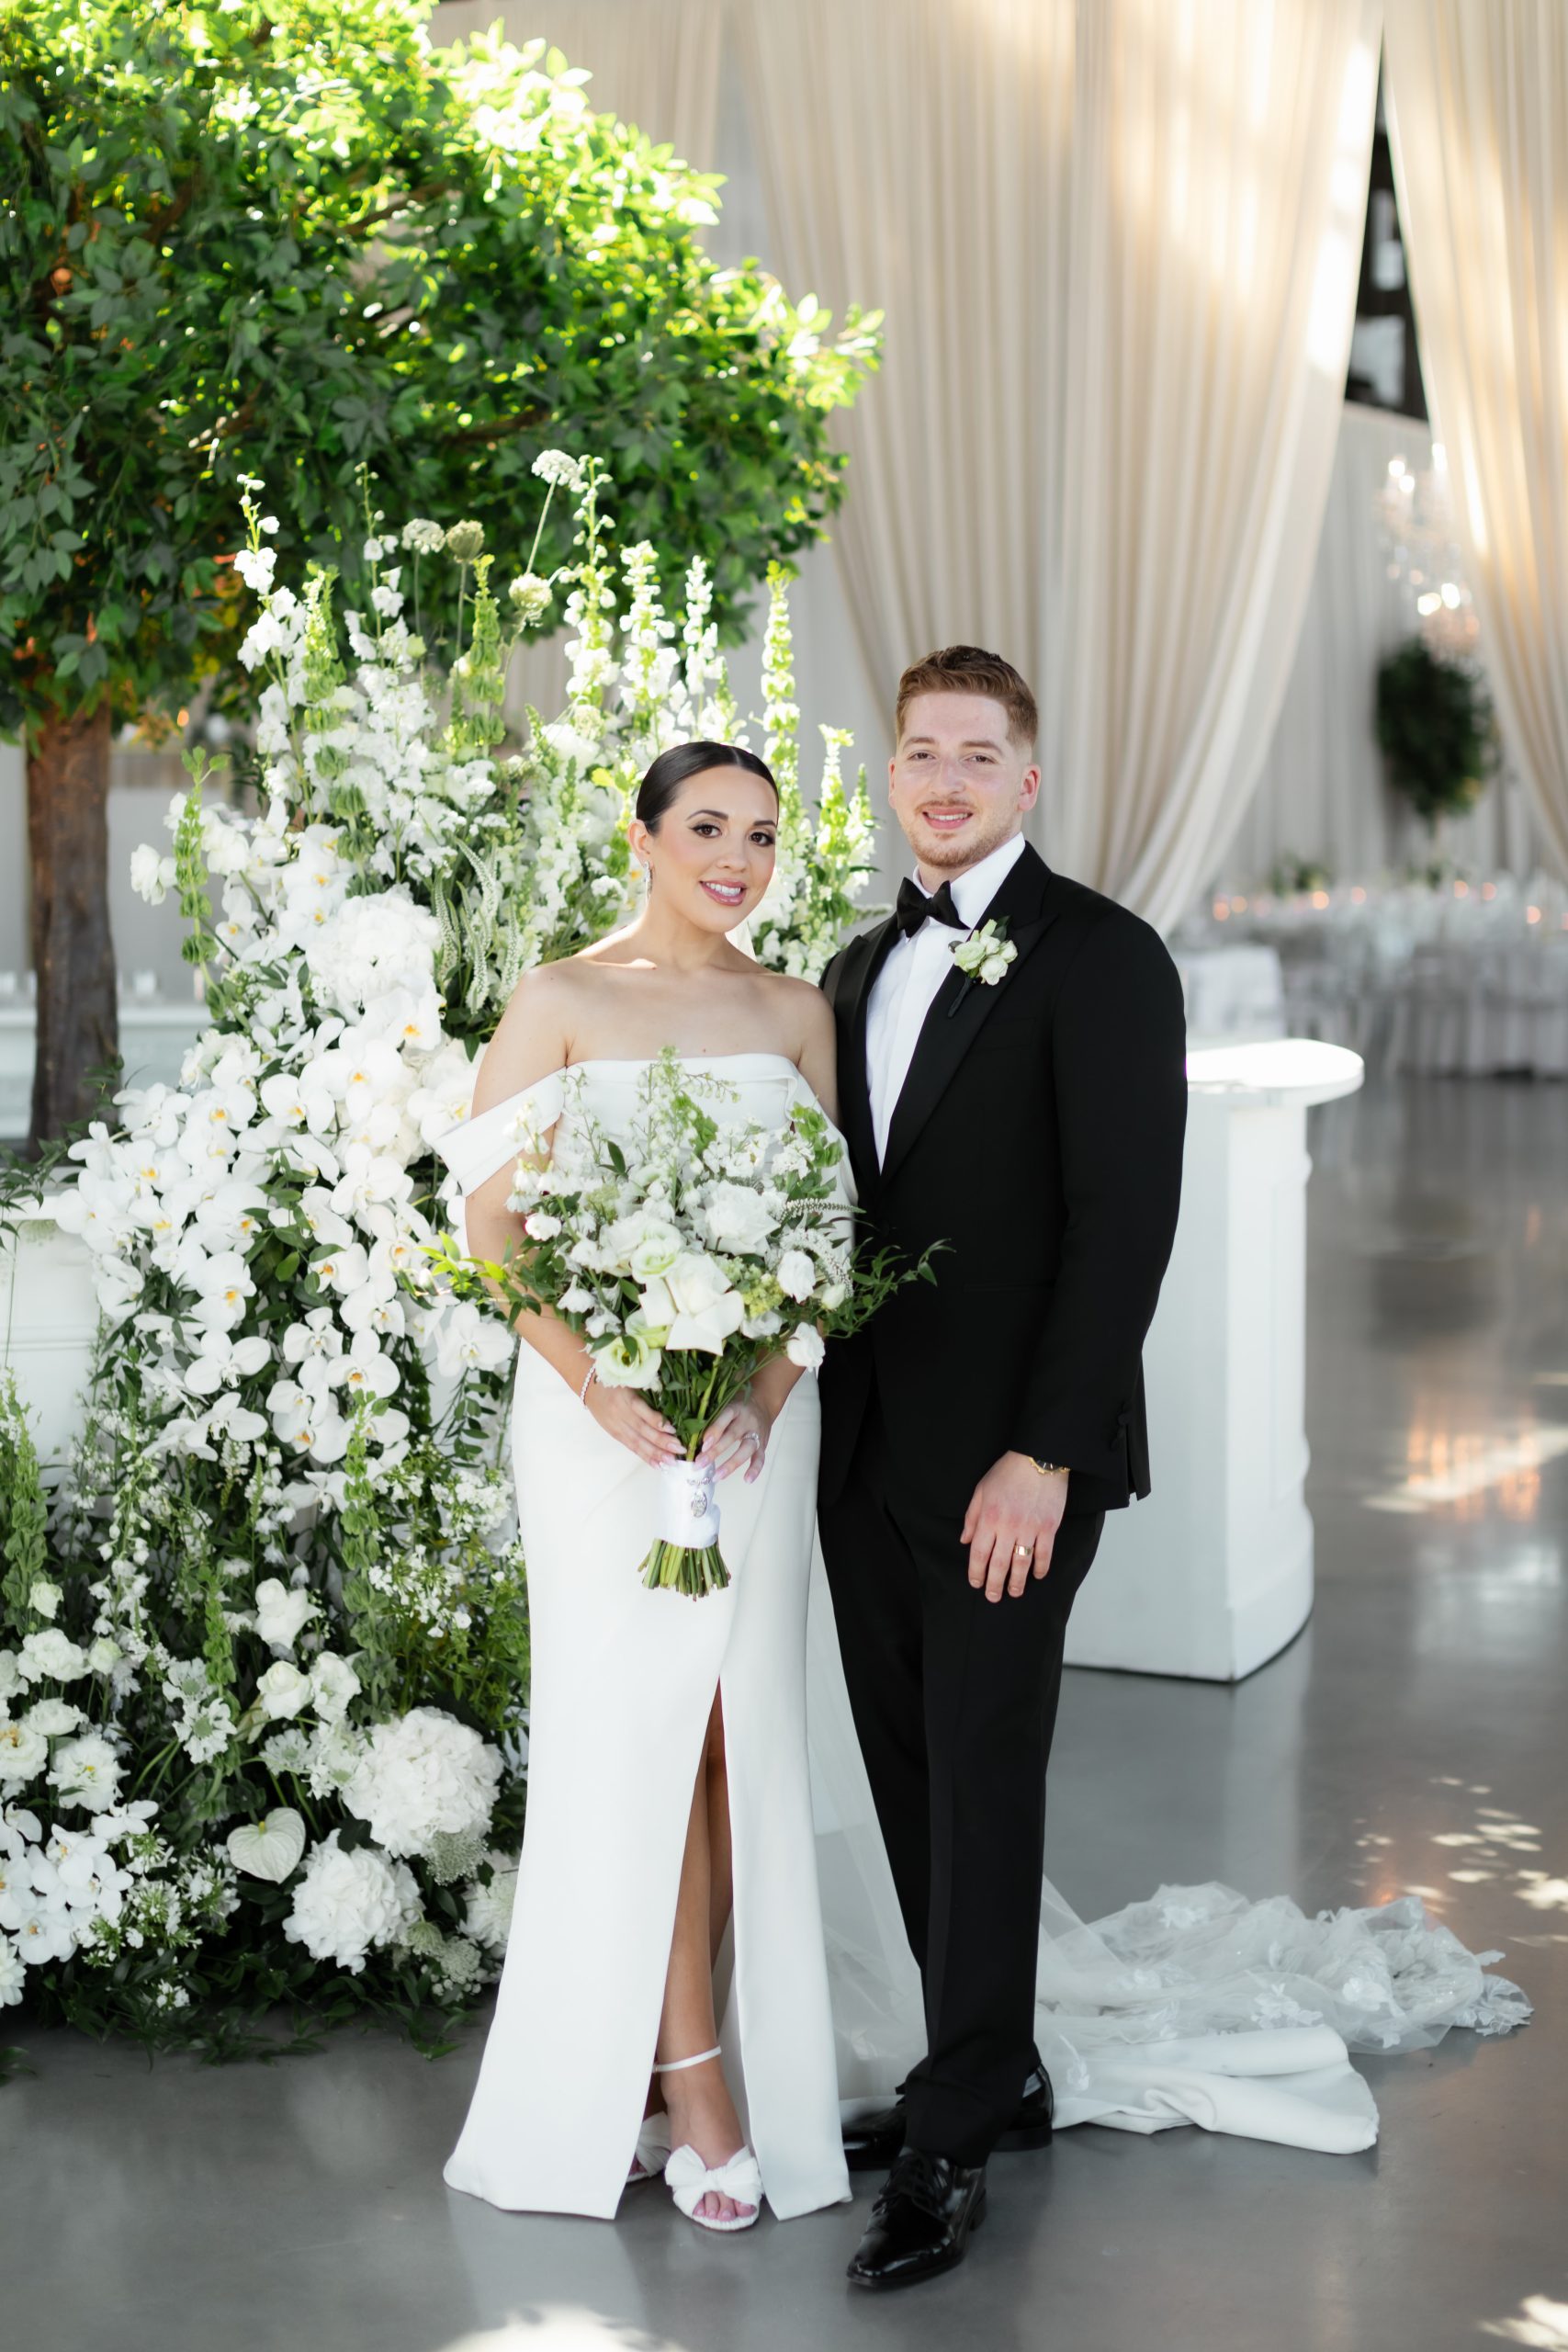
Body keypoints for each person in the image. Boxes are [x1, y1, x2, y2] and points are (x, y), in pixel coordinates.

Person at [432, 741, 853, 2233]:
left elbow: (831, 1239)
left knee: (740, 1737)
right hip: (598, 1432)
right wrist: (603, 1386)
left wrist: (760, 1393)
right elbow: (491, 1233)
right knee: (643, 1739)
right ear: (645, 837)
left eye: (760, 833)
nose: (736, 858)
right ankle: (693, 2079)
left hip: (750, 1435)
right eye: (707, 829)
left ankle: (661, 2069)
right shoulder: (560, 998)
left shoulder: (796, 1009)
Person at [818, 644, 1190, 2289]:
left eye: (980, 754)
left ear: (1026, 780)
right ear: (892, 777)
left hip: (1015, 1466)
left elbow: (1125, 1227)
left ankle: (955, 2127)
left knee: (984, 1766)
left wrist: (1043, 1452)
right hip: (867, 1451)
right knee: (911, 1772)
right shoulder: (848, 969)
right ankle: (993, 2061)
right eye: (920, 754)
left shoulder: (1103, 958)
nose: (948, 780)